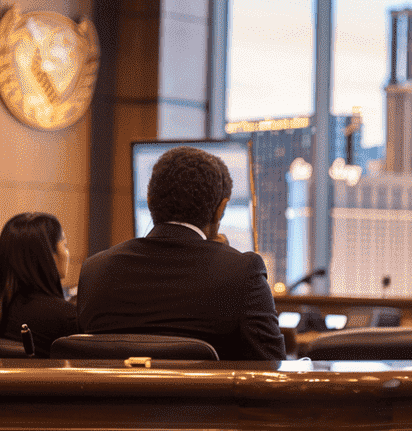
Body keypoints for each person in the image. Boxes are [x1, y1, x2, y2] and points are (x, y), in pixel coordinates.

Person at [77, 146, 286, 361]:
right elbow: (272, 368)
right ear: (221, 209)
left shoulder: (95, 270)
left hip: (113, 395)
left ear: (149, 202)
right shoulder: (242, 272)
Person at [0, 212, 78, 357]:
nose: (67, 253)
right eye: (64, 244)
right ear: (50, 254)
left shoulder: (5, 309)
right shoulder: (66, 318)